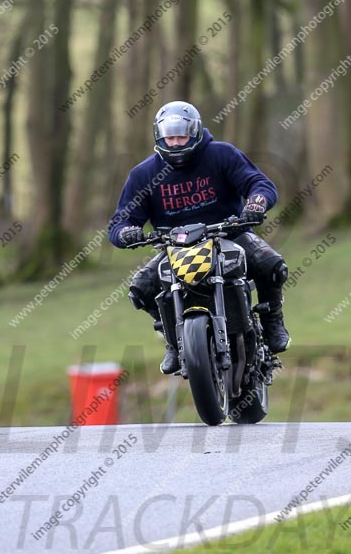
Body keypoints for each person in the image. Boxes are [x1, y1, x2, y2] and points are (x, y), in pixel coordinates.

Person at [108, 101, 291, 374]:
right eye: (170, 137)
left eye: (182, 136)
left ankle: (272, 320)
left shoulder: (222, 155)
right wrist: (126, 233)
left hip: (229, 234)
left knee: (272, 266)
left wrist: (256, 204)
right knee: (141, 290)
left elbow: (259, 183)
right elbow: (121, 221)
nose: (176, 144)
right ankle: (173, 340)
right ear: (159, 136)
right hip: (174, 246)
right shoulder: (143, 174)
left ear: (194, 132)